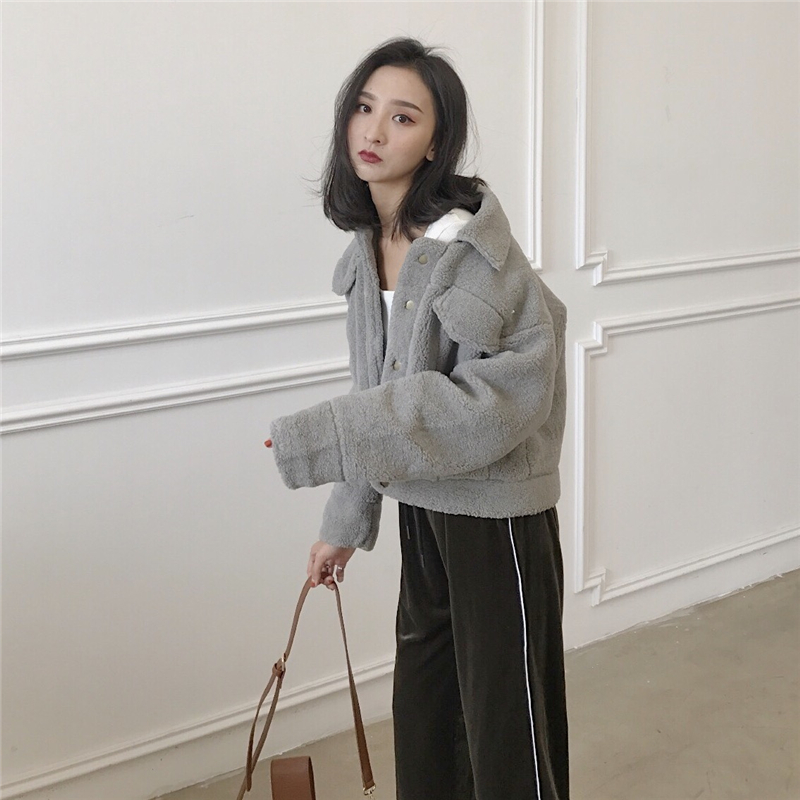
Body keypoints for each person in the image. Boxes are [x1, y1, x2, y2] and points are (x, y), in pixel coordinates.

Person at [266, 37, 569, 800]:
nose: (373, 131)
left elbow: (499, 399)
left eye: (402, 117)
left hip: (496, 519)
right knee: (427, 716)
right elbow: (380, 390)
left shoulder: (474, 256)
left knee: (508, 735)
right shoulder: (367, 250)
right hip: (425, 508)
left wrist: (329, 437)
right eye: (363, 108)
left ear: (436, 142)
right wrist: (347, 518)